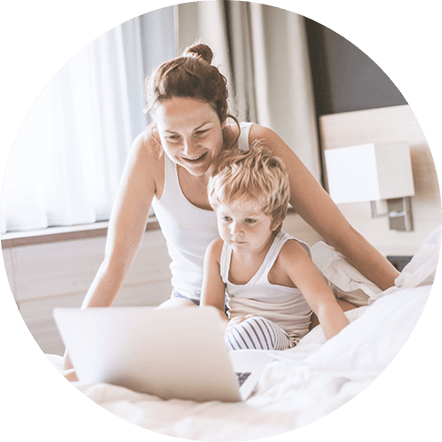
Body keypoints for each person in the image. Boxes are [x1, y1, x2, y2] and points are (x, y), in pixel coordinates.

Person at [62, 42, 398, 371]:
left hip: (273, 299)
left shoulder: (258, 144)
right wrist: (70, 357)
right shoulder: (148, 153)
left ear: (222, 115)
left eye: (201, 131)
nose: (189, 149)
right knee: (140, 352)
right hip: (194, 300)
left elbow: (338, 232)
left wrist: (403, 289)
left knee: (367, 322)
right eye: (172, 137)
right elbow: (116, 262)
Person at [201, 143, 349, 350]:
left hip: (284, 340)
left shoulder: (288, 254)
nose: (235, 230)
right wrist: (227, 326)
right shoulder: (217, 252)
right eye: (226, 218)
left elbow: (324, 304)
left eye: (249, 221)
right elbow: (209, 310)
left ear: (275, 221)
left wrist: (344, 349)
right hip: (236, 336)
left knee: (250, 330)